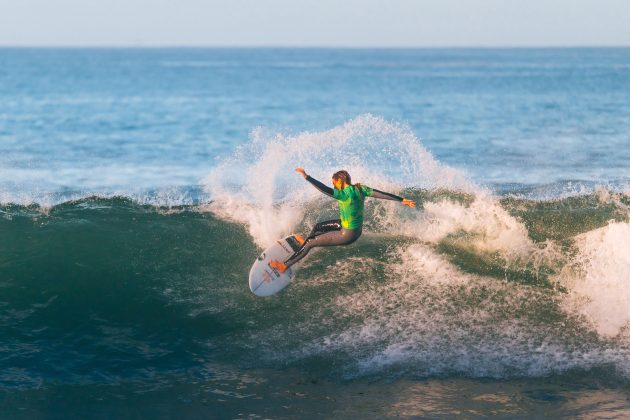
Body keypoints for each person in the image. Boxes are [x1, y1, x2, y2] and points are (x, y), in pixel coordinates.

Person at [268, 168, 416, 273]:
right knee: (318, 226)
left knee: (311, 242)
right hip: (355, 229)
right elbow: (381, 194)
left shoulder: (343, 194)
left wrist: (307, 177)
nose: (334, 185)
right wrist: (402, 200)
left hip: (347, 234)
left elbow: (324, 189)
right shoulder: (360, 189)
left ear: (340, 181)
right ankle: (303, 246)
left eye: (335, 183)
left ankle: (284, 266)